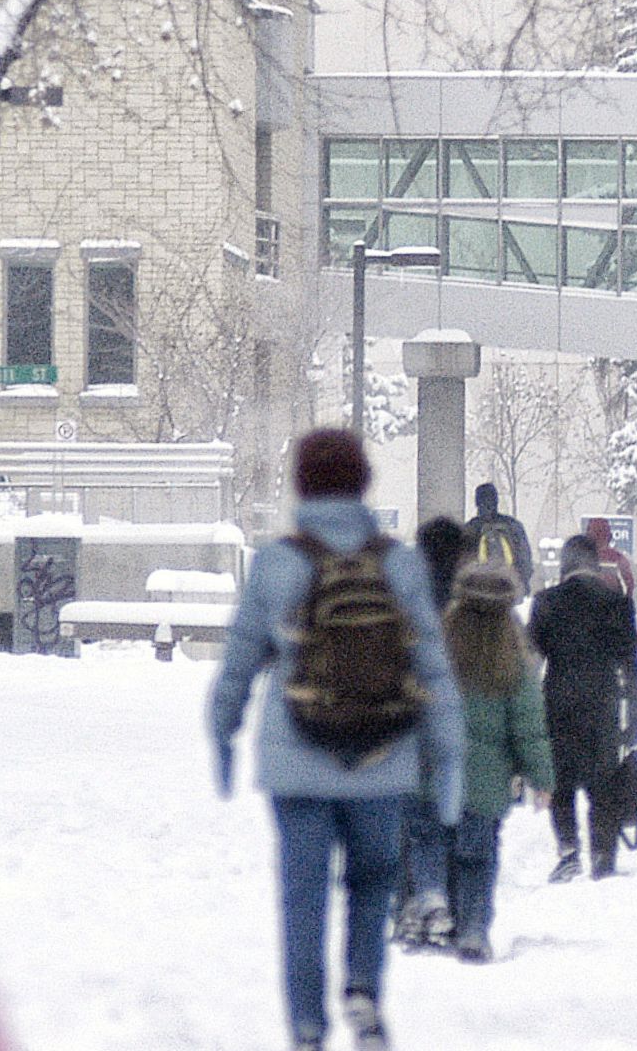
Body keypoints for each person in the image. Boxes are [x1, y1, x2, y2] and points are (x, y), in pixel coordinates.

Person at [210, 429, 465, 1051]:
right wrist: (450, 757)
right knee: (373, 883)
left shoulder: (277, 562)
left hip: (296, 757)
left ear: (302, 482)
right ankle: (362, 990)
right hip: (383, 756)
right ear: (363, 483)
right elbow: (432, 669)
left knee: (302, 894)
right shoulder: (400, 563)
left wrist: (222, 731)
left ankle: (305, 1026)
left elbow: (241, 662)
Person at [441, 562, 557, 961]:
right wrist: (542, 777)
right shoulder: (514, 660)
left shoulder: (438, 648)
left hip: (435, 776)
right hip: (487, 785)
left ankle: (440, 918)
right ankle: (473, 929)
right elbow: (528, 727)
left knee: (437, 850)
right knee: (477, 857)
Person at [526, 535, 637, 881]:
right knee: (604, 783)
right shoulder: (617, 603)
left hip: (559, 704)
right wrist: (636, 716)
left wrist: (528, 711)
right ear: (595, 564)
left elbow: (532, 663)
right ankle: (604, 855)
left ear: (565, 564)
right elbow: (631, 666)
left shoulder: (546, 602)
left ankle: (568, 850)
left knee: (561, 783)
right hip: (603, 704)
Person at [394, 515, 472, 952]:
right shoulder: (469, 600)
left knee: (409, 817)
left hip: (408, 717)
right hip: (456, 716)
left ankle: (411, 903)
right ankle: (447, 903)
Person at [462, 483, 535, 590]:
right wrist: (524, 583)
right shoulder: (513, 525)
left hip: (479, 591)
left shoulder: (470, 528)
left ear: (476, 502)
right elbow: (525, 558)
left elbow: (462, 562)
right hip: (509, 588)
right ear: (497, 501)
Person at [581, 515, 637, 597]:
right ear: (609, 536)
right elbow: (629, 584)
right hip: (612, 604)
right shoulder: (618, 558)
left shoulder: (581, 558)